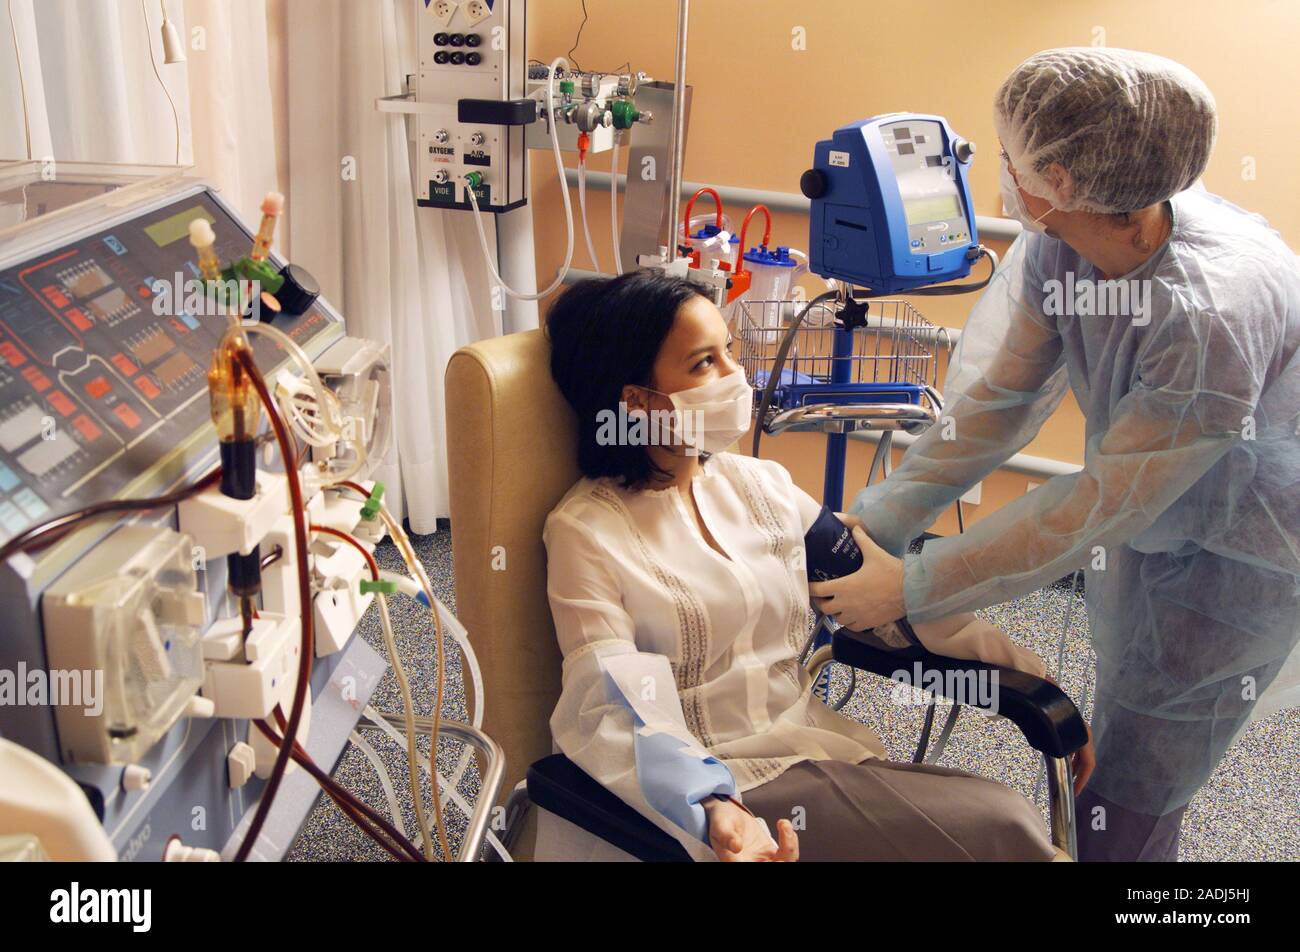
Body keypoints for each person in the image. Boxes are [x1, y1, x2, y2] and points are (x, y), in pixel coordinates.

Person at [810, 47, 1300, 861]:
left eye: (1011, 157)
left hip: (1242, 543)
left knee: (1141, 775)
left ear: (1063, 176)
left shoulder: (1209, 309)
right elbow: (1000, 405)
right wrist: (877, 523)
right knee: (1119, 711)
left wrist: (917, 581)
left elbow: (1106, 500)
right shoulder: (1065, 239)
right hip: (1153, 510)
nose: (1000, 169)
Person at [542, 269, 1075, 862]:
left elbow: (875, 588)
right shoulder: (587, 533)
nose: (736, 376)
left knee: (998, 815)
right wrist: (711, 803)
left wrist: (1024, 673)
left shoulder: (761, 487)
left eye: (731, 353)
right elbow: (611, 700)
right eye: (703, 364)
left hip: (809, 745)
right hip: (719, 787)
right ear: (636, 401)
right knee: (1000, 825)